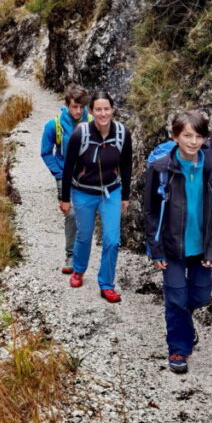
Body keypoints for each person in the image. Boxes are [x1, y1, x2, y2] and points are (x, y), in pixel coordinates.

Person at [143, 110, 212, 375]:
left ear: (205, 138)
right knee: (176, 297)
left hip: (202, 247)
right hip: (171, 248)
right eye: (187, 136)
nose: (193, 142)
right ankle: (178, 349)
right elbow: (150, 211)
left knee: (201, 296)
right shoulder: (160, 169)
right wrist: (155, 247)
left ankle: (185, 326)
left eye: (199, 136)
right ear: (175, 137)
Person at [60, 90, 132, 302]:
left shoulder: (122, 133)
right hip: (83, 192)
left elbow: (126, 165)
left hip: (111, 191)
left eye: (107, 109)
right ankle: (79, 269)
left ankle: (106, 284)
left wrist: (125, 195)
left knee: (112, 239)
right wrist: (65, 198)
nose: (103, 113)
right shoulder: (79, 135)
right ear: (91, 111)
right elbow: (68, 167)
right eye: (98, 109)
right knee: (84, 234)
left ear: (112, 110)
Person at [41, 85, 90, 274]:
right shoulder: (54, 125)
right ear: (67, 105)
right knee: (70, 213)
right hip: (66, 175)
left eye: (81, 107)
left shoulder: (93, 121)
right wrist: (59, 174)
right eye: (74, 107)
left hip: (89, 175)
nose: (78, 111)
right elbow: (46, 152)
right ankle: (71, 255)